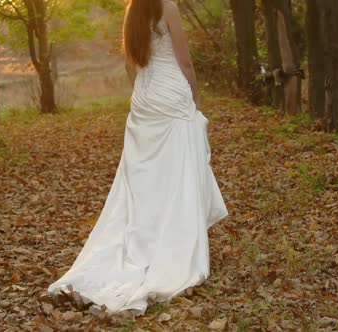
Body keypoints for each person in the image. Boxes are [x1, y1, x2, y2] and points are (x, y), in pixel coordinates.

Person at [47, 0, 228, 316]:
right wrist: (195, 99)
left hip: (146, 94)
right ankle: (173, 244)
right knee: (178, 173)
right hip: (171, 94)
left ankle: (144, 239)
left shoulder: (132, 11)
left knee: (145, 180)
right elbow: (185, 62)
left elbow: (131, 63)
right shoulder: (168, 7)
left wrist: (143, 92)